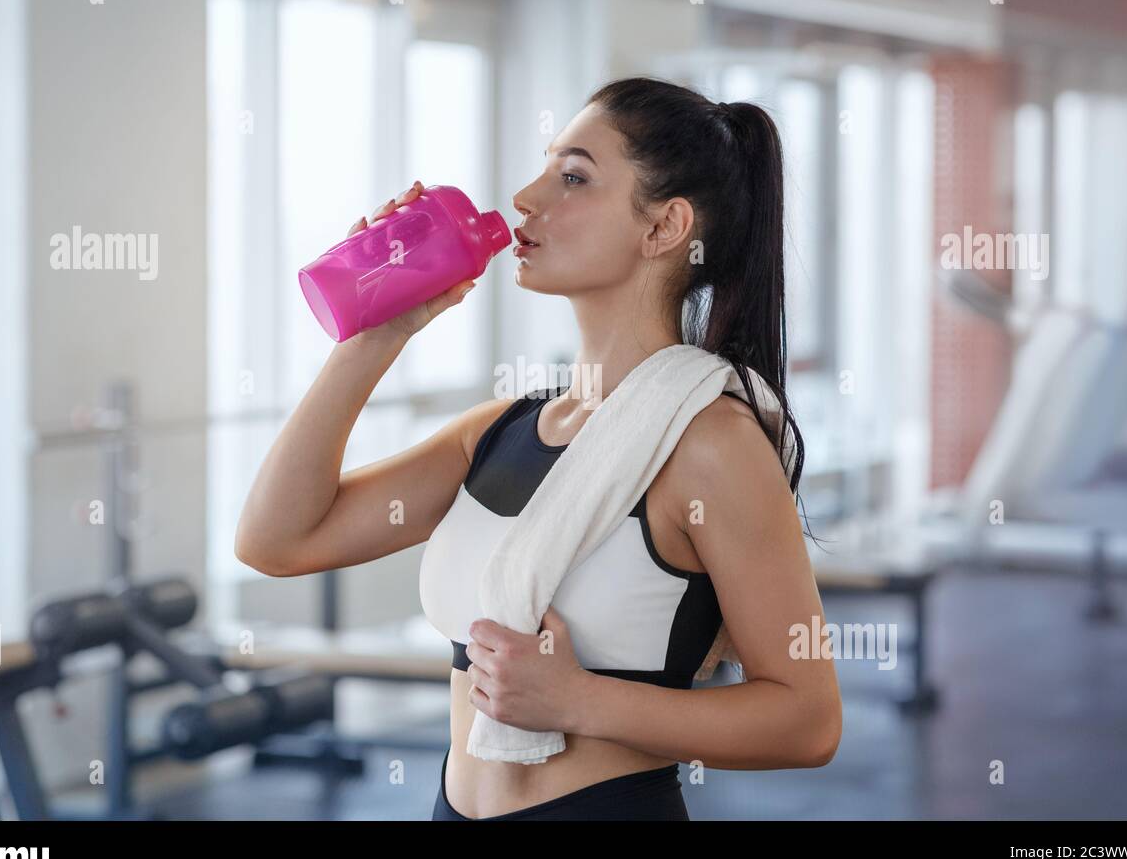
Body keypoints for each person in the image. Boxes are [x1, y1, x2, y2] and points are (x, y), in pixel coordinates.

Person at [235, 76, 841, 821]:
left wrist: (579, 700)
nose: (525, 196)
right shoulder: (497, 432)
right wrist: (376, 336)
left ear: (665, 227)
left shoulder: (710, 445)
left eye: (573, 177)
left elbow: (807, 721)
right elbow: (276, 540)